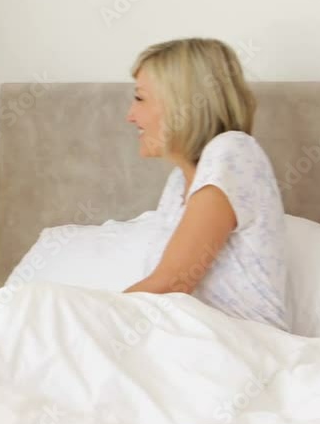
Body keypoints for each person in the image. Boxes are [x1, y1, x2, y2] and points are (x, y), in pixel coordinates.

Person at [123, 38, 288, 330]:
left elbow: (173, 282)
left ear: (181, 103)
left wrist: (95, 316)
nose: (130, 116)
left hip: (240, 342)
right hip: (186, 337)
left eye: (140, 98)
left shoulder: (233, 151)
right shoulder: (178, 183)